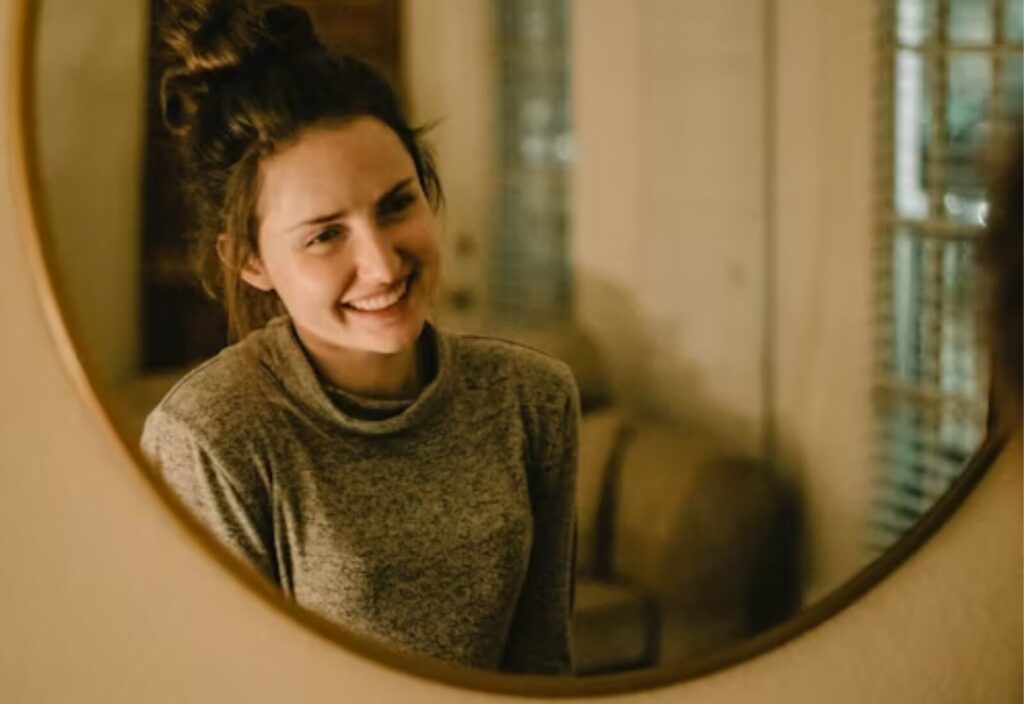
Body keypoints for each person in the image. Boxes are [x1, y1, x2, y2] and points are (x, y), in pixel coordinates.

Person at [140, 0, 578, 674]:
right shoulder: (209, 439)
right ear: (249, 262)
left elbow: (544, 670)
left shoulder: (533, 400)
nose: (381, 264)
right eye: (324, 234)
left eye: (397, 204)